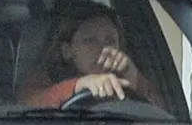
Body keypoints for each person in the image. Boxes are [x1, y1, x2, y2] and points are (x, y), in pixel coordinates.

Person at [20, 7, 152, 108]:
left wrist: (133, 77)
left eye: (110, 41)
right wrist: (79, 85)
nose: (103, 49)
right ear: (67, 51)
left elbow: (165, 113)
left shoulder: (126, 78)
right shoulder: (43, 79)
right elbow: (26, 105)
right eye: (90, 40)